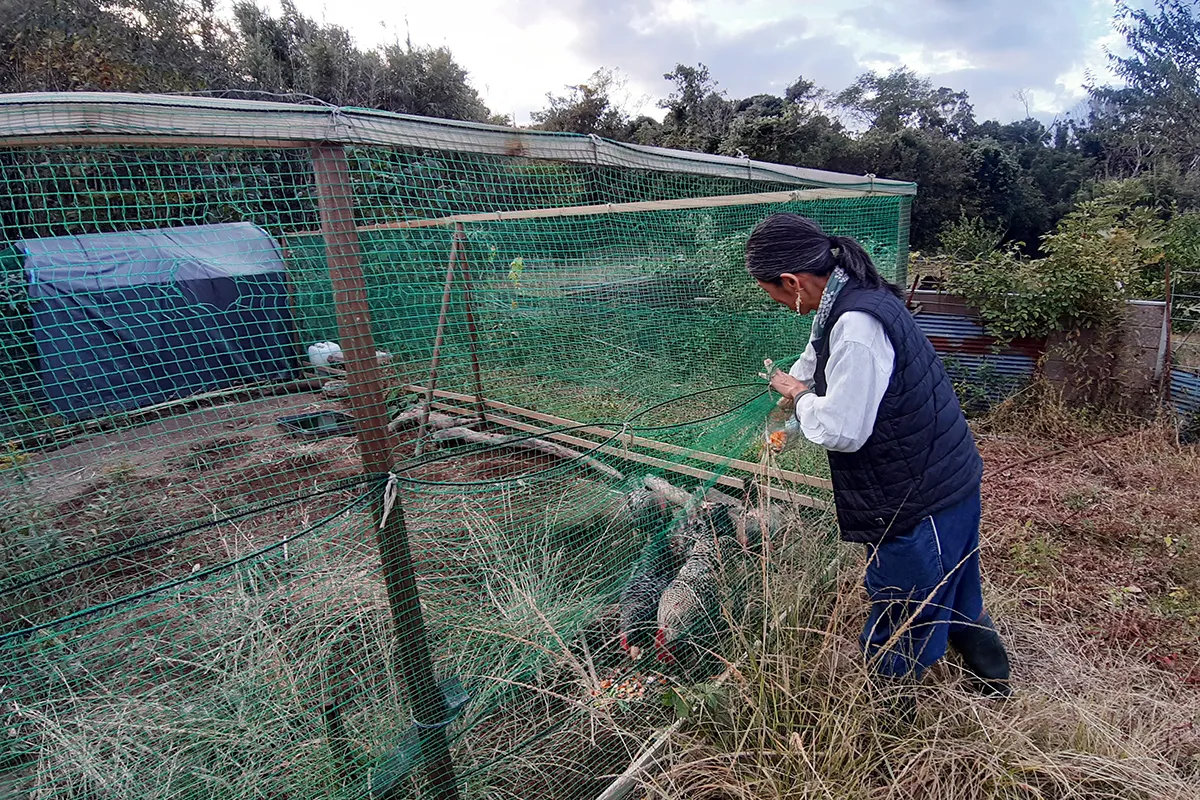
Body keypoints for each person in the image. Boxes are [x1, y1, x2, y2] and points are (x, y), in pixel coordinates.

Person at [745, 212, 1011, 704]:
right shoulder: (845, 300)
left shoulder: (857, 324)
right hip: (941, 476)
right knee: (955, 587)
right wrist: (794, 391)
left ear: (792, 281)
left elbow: (843, 430)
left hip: (915, 492)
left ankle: (889, 722)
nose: (779, 305)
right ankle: (994, 686)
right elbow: (814, 358)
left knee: (904, 609)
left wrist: (800, 399)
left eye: (774, 294)